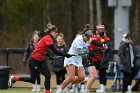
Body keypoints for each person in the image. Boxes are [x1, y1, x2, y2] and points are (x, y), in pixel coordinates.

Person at [9, 23, 73, 93]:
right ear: (51, 32)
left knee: (48, 75)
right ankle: (14, 78)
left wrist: (49, 56)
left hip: (41, 60)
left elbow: (44, 50)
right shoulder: (47, 38)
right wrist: (66, 55)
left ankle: (47, 92)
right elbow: (55, 51)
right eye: (55, 32)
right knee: (32, 79)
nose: (56, 34)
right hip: (34, 61)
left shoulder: (48, 38)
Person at [56, 24, 93, 93]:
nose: (89, 38)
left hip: (78, 60)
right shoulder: (78, 39)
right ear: (83, 35)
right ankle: (59, 90)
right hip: (71, 58)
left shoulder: (88, 40)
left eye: (90, 37)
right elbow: (81, 53)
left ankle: (68, 84)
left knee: (82, 77)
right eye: (88, 37)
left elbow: (88, 49)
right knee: (71, 77)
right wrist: (89, 54)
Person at [84, 24, 112, 93]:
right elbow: (96, 43)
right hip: (91, 59)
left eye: (102, 30)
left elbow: (108, 43)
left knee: (92, 77)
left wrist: (106, 46)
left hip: (99, 61)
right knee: (93, 76)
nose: (100, 31)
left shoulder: (105, 38)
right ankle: (86, 90)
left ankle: (76, 79)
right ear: (96, 31)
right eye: (99, 30)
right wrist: (103, 45)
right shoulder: (93, 38)